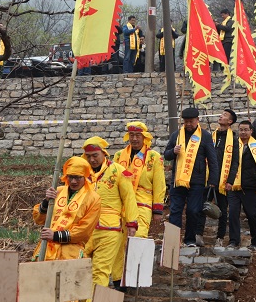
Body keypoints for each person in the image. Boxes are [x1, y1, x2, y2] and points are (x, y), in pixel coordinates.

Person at [112, 121, 166, 286]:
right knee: (118, 242)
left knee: (137, 238)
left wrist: (157, 209)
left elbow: (159, 184)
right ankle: (117, 280)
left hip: (142, 203)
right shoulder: (119, 156)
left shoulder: (153, 157)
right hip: (120, 205)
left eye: (138, 136)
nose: (134, 139)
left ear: (144, 137)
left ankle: (133, 278)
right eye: (132, 136)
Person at [81, 137, 138, 291]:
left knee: (101, 270)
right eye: (89, 156)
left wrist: (132, 222)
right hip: (84, 228)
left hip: (109, 228)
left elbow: (129, 198)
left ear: (104, 154)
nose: (92, 160)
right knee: (80, 265)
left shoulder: (118, 171)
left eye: (95, 155)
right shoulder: (81, 172)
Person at [163, 108, 219, 247]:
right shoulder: (176, 135)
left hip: (197, 181)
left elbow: (212, 160)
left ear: (197, 120)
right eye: (186, 121)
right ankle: (173, 242)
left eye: (191, 121)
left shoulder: (205, 136)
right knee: (175, 210)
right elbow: (166, 155)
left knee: (193, 211)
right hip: (178, 180)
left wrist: (213, 180)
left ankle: (190, 240)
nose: (188, 124)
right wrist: (173, 151)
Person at [32, 156, 101, 261]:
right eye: (70, 177)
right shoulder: (57, 192)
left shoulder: (93, 199)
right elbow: (38, 219)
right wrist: (46, 201)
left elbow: (84, 231)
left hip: (71, 253)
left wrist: (55, 236)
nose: (73, 181)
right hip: (46, 250)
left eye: (78, 177)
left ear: (85, 177)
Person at [196, 109, 237, 247]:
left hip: (223, 180)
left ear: (230, 121)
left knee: (222, 209)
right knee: (202, 206)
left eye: (224, 115)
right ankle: (199, 234)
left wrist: (230, 181)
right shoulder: (210, 136)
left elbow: (235, 162)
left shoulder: (234, 139)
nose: (221, 116)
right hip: (208, 178)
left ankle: (220, 237)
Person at [226, 120, 256, 249]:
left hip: (250, 185)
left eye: (246, 130)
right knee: (233, 213)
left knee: (251, 214)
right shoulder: (233, 145)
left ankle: (255, 241)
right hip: (233, 185)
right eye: (241, 129)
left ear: (251, 131)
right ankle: (233, 240)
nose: (243, 132)